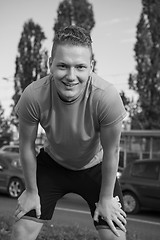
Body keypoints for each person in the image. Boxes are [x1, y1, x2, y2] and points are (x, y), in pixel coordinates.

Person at [11, 25, 127, 240]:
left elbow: (112, 151)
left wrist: (106, 198)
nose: (71, 76)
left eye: (80, 67)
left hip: (96, 166)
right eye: (63, 66)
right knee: (21, 230)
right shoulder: (33, 95)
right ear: (50, 64)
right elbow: (26, 146)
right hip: (52, 165)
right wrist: (31, 191)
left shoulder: (107, 96)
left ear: (91, 67)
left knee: (115, 234)